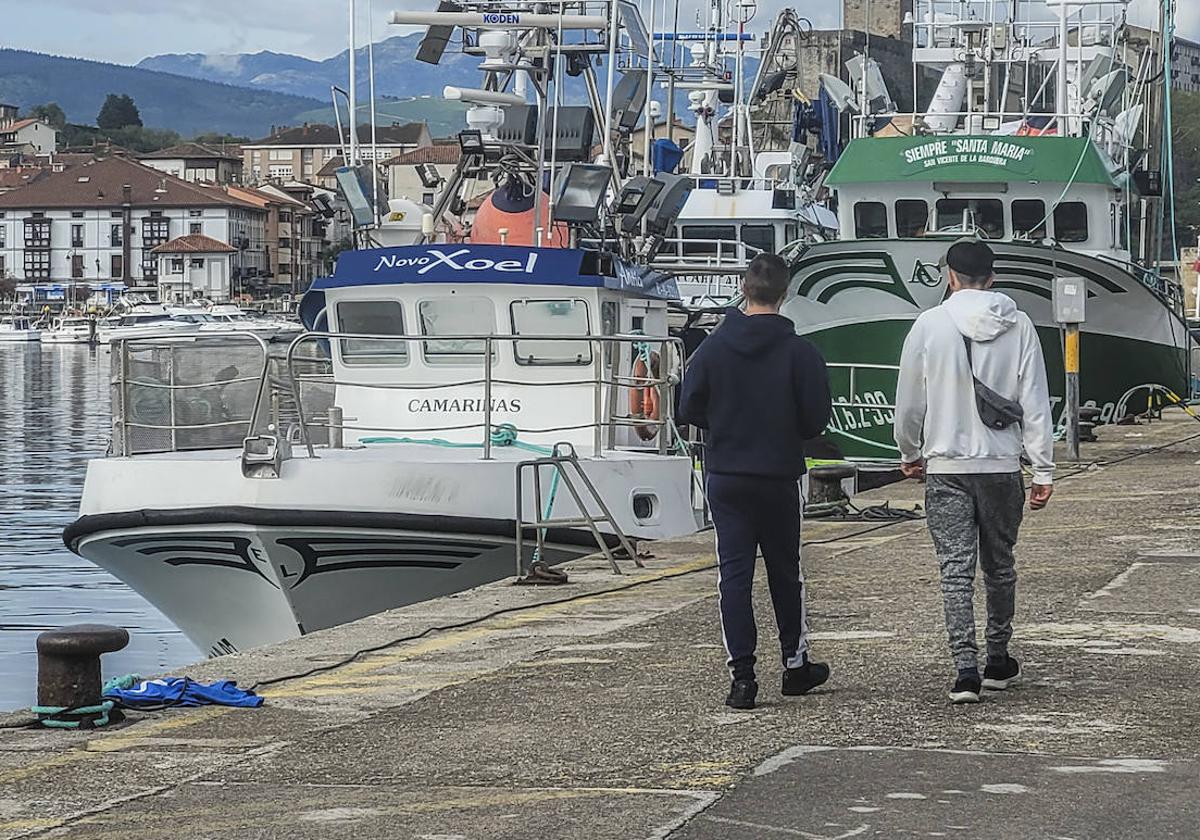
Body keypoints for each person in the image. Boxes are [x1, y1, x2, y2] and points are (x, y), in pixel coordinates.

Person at [894, 240, 1055, 705]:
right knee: (1000, 566)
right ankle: (998, 659)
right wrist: (1042, 469)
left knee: (954, 571)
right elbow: (1035, 401)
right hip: (1002, 466)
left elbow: (909, 400)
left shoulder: (929, 324)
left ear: (950, 276)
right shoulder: (1019, 324)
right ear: (992, 276)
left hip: (945, 466)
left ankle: (965, 670)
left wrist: (908, 451)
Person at [679, 253, 833, 710]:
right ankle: (794, 663)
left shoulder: (713, 348)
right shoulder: (801, 353)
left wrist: (724, 424)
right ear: (785, 295)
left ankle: (742, 677)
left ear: (744, 290)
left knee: (734, 576)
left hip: (727, 473)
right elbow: (816, 420)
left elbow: (688, 408)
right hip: (779, 475)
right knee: (786, 573)